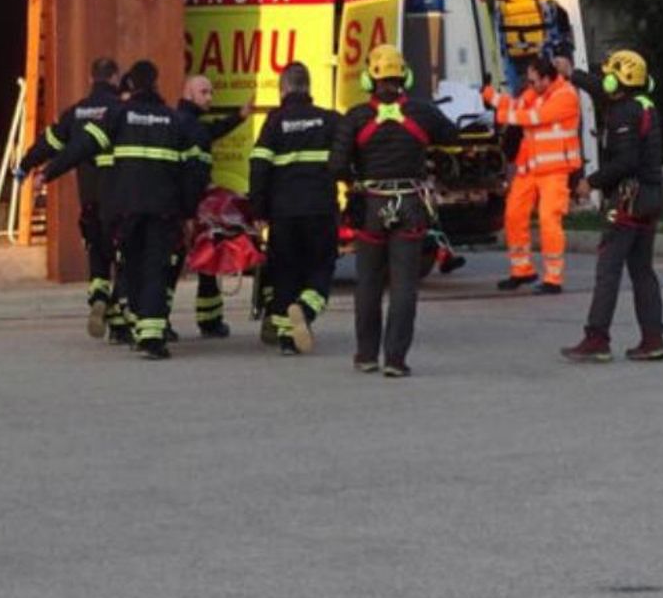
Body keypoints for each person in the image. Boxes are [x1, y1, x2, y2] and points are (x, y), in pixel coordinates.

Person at [43, 60, 208, 360]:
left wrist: (48, 172)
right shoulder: (173, 120)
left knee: (130, 267)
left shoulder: (118, 115)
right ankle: (151, 336)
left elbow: (82, 146)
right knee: (155, 268)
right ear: (156, 84)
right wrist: (188, 211)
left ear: (130, 86)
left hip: (126, 209)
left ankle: (133, 323)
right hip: (163, 209)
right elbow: (195, 170)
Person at [329, 44, 459, 377]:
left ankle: (366, 355)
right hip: (410, 206)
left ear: (368, 80)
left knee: (368, 284)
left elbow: (336, 165)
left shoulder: (356, 117)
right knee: (403, 286)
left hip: (371, 206)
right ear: (405, 76)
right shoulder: (422, 112)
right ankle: (396, 359)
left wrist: (356, 181)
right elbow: (451, 135)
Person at [559, 49, 663, 363]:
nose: (604, 81)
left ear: (616, 82)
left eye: (608, 76)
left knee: (608, 269)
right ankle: (653, 339)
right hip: (650, 199)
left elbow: (625, 161)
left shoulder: (623, 115)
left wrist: (590, 182)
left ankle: (597, 339)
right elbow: (600, 91)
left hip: (628, 201)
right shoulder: (643, 105)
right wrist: (572, 74)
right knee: (642, 271)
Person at [18, 57, 123, 340]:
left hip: (89, 195)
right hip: (118, 194)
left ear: (90, 79)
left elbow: (49, 143)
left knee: (97, 250)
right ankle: (119, 322)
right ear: (115, 78)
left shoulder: (76, 112)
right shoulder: (119, 110)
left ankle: (98, 296)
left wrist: (26, 165)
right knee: (122, 256)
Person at [248, 61, 339, 355]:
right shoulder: (329, 120)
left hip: (284, 212)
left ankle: (288, 339)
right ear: (308, 87)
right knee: (321, 266)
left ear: (283, 89)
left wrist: (258, 210)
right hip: (320, 209)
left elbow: (259, 166)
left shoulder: (274, 121)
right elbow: (348, 159)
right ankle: (306, 309)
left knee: (285, 272)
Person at [483, 54, 582, 294]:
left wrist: (500, 116)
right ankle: (522, 271)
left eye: (534, 81)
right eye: (529, 81)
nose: (530, 85)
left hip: (554, 171)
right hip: (529, 168)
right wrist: (488, 95)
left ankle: (553, 278)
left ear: (547, 79)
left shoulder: (566, 96)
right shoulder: (535, 92)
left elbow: (535, 117)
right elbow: (515, 105)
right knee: (513, 216)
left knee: (549, 220)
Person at [171, 74, 254, 338]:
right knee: (176, 266)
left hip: (184, 205)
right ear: (188, 93)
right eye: (204, 92)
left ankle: (207, 320)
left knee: (203, 261)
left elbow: (213, 130)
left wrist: (239, 117)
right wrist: (189, 212)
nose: (210, 97)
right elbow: (193, 171)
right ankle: (199, 322)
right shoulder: (189, 125)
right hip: (187, 206)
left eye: (211, 92)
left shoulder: (187, 122)